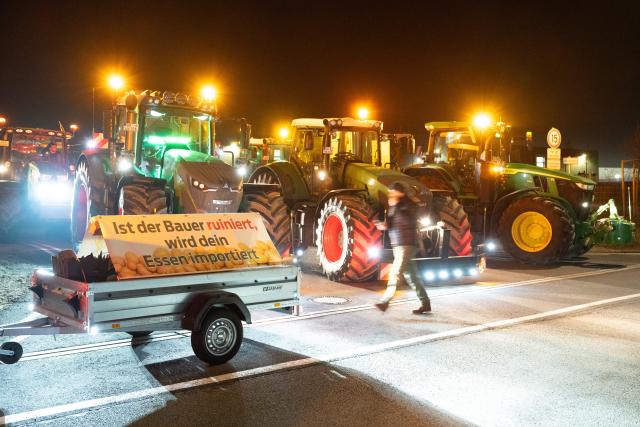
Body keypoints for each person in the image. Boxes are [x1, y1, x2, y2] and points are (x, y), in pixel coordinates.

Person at [374, 182, 431, 314]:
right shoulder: (394, 206)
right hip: (399, 245)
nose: (390, 194)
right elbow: (391, 225)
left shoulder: (409, 204)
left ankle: (385, 302)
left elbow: (408, 221)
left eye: (392, 191)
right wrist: (382, 225)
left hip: (407, 244)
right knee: (412, 277)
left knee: (395, 273)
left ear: (400, 192)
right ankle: (426, 303)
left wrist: (396, 206)